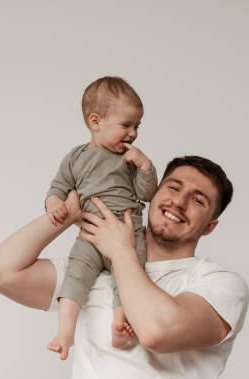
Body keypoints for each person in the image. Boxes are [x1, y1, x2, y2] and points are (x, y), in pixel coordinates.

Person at [0, 155, 249, 379]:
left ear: (210, 226)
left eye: (198, 200)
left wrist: (121, 252)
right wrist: (64, 216)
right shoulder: (95, 267)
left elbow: (156, 332)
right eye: (173, 187)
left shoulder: (219, 283)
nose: (178, 202)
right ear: (153, 195)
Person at [45, 76, 157, 358]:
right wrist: (55, 205)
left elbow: (147, 193)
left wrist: (145, 167)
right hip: (91, 234)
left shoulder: (129, 158)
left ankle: (120, 324)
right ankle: (65, 332)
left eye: (137, 126)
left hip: (129, 233)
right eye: (126, 125)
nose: (133, 133)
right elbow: (57, 187)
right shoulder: (76, 157)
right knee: (75, 277)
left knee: (129, 279)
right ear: (96, 122)